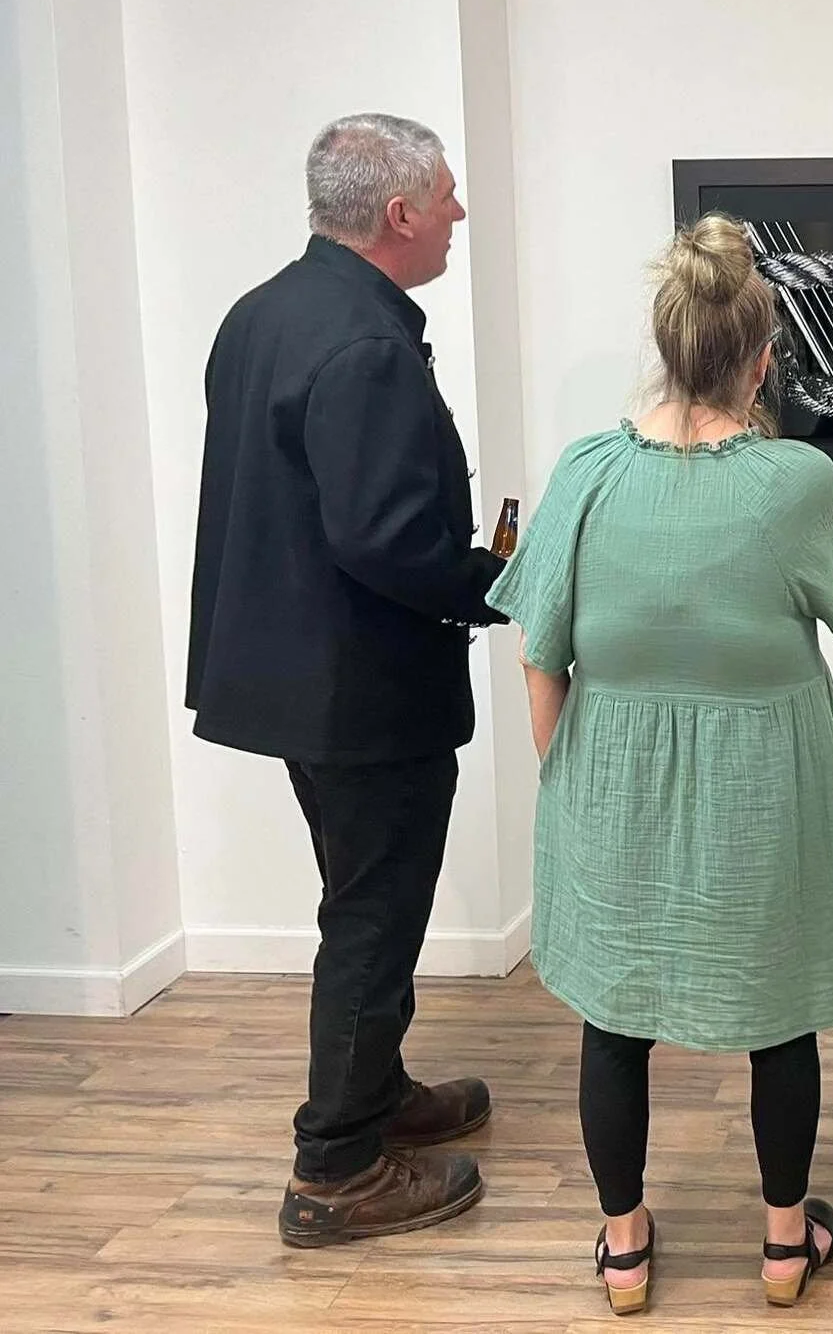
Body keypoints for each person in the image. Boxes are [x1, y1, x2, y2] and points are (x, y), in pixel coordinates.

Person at [486, 213, 833, 1316]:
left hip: (617, 784)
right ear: (761, 361)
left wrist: (571, 782)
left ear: (663, 346)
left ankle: (622, 1250)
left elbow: (537, 652)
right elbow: (827, 611)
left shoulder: (587, 471)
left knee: (614, 1020)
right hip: (763, 790)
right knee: (778, 1014)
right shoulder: (792, 480)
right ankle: (785, 1246)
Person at [186, 113, 505, 1245]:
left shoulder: (264, 313)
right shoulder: (366, 342)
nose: (460, 217)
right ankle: (336, 1168)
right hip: (361, 687)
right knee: (373, 913)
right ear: (400, 213)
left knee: (359, 897)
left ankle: (373, 1096)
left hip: (293, 677)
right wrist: (496, 584)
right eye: (450, 199)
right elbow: (384, 540)